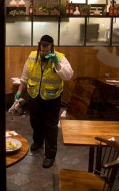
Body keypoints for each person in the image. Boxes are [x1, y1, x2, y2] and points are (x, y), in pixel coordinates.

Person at [15, 35, 74, 168]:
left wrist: (57, 63)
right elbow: (25, 76)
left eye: (47, 51)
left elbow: (68, 75)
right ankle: (38, 141)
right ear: (39, 47)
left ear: (52, 48)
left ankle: (50, 155)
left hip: (52, 98)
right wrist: (19, 90)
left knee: (51, 126)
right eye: (42, 51)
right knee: (35, 121)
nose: (44, 53)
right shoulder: (32, 56)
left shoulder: (60, 57)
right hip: (34, 96)